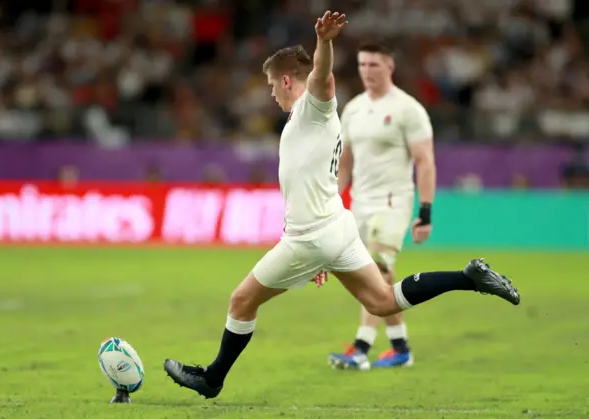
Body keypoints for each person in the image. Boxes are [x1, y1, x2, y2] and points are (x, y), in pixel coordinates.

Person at [162, 11, 520, 400]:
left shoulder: (311, 110)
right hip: (333, 227)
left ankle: (212, 379)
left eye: (271, 85)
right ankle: (468, 277)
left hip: (313, 236)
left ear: (286, 80)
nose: (271, 93)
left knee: (241, 301)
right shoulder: (305, 121)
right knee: (384, 301)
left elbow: (323, 78)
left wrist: (324, 42)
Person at [327, 41, 436, 370]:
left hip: (392, 202)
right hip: (360, 203)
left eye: (374, 65)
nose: (367, 71)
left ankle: (360, 347)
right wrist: (330, 200)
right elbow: (344, 163)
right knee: (381, 279)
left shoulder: (408, 109)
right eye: (362, 65)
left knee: (376, 268)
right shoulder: (354, 109)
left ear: (390, 66)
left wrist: (425, 212)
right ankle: (401, 347)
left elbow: (424, 161)